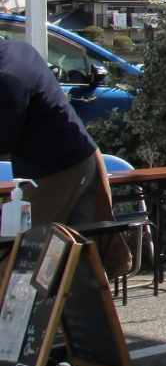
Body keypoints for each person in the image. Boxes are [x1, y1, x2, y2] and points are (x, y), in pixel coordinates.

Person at [0, 37, 116, 234]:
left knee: (22, 247)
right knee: (79, 250)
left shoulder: (8, 77)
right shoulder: (17, 48)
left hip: (54, 170)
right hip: (80, 156)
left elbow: (4, 138)